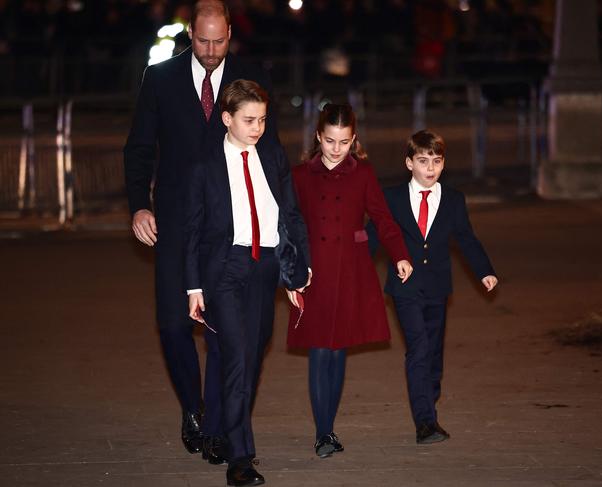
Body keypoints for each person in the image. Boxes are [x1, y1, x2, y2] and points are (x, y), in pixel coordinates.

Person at [123, 0, 276, 462]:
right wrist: (138, 207)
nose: (211, 51)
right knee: (172, 325)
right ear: (191, 32)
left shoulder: (249, 77)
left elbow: (270, 151)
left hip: (229, 228)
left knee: (224, 332)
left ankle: (220, 426)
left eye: (220, 40)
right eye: (203, 40)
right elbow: (139, 149)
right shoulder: (162, 78)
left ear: (231, 32)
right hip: (172, 221)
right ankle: (193, 408)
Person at [184, 79, 310, 487]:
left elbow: (289, 215)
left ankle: (216, 431)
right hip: (225, 269)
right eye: (249, 120)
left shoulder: (272, 154)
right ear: (227, 119)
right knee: (237, 357)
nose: (258, 128)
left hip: (266, 267)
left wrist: (296, 269)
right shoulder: (204, 165)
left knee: (252, 357)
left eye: (262, 119)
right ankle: (240, 458)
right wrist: (193, 287)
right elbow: (193, 230)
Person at [286, 103, 413, 458]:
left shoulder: (364, 174)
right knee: (318, 350)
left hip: (351, 271)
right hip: (313, 273)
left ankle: (328, 428)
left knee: (338, 349)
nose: (336, 149)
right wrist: (290, 271)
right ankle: (322, 431)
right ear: (318, 137)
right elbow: (287, 226)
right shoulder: (299, 176)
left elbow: (383, 219)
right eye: (329, 141)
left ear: (354, 139)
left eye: (344, 142)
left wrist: (400, 254)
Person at [367, 130, 498, 444]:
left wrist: (484, 271)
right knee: (419, 349)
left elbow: (465, 237)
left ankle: (429, 396)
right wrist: (352, 271)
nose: (430, 168)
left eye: (436, 161)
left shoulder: (453, 199)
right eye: (423, 161)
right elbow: (375, 237)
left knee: (433, 354)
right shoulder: (393, 198)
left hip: (438, 287)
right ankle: (425, 422)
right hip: (405, 287)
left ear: (443, 164)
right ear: (409, 163)